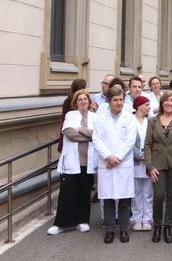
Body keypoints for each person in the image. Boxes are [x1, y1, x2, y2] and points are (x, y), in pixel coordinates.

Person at [92, 82, 138, 243]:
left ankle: (124, 230)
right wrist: (107, 156)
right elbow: (96, 139)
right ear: (109, 102)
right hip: (107, 163)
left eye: (121, 100)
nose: (119, 103)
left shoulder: (130, 118)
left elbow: (130, 141)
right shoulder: (100, 118)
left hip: (122, 163)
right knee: (109, 200)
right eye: (115, 100)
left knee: (125, 200)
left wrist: (116, 157)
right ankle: (110, 229)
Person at [48, 89, 97, 235]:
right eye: (80, 99)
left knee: (84, 192)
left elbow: (97, 135)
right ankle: (61, 224)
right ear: (75, 103)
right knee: (67, 192)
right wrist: (88, 134)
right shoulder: (70, 115)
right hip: (71, 161)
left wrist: (81, 130)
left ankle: (82, 221)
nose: (83, 101)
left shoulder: (95, 116)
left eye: (85, 99)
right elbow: (70, 134)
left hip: (87, 161)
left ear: (89, 102)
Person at [144, 90, 172, 244]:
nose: (169, 103)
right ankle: (157, 225)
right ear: (162, 102)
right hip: (157, 164)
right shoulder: (152, 121)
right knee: (158, 195)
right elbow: (147, 145)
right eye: (167, 100)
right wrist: (150, 166)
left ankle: (167, 226)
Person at [131, 96, 153, 231]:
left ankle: (147, 219)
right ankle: (136, 218)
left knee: (148, 192)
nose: (149, 107)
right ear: (138, 106)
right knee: (136, 192)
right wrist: (139, 155)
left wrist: (149, 156)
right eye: (146, 104)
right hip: (134, 161)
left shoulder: (151, 121)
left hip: (149, 162)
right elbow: (127, 142)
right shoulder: (129, 121)